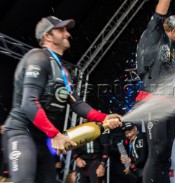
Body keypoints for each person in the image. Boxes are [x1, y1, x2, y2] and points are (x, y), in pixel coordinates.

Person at [2, 16, 122, 183]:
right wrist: (55, 134)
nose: (67, 34)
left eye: (66, 30)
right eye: (61, 30)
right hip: (21, 133)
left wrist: (104, 117)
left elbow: (76, 103)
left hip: (43, 139)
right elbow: (29, 103)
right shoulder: (37, 58)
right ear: (47, 36)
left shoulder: (62, 70)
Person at [135, 0, 175, 182]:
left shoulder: (168, 47)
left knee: (165, 151)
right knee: (156, 150)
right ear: (174, 30)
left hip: (167, 102)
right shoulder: (154, 34)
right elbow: (159, 13)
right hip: (153, 99)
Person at [72, 119, 111, 183]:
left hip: (95, 161)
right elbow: (72, 146)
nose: (84, 117)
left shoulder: (100, 126)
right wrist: (77, 158)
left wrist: (102, 164)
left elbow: (106, 147)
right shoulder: (76, 129)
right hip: (82, 162)